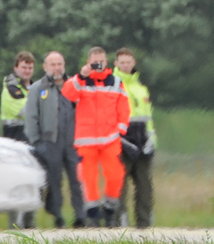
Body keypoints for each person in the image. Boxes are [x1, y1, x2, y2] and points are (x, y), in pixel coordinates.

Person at [61, 46, 130, 227]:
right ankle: (92, 213)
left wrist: (120, 130)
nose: (98, 65)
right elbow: (68, 93)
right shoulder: (80, 81)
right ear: (88, 62)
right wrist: (82, 76)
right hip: (86, 139)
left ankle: (109, 208)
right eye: (95, 62)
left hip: (110, 138)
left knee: (116, 174)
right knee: (88, 178)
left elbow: (124, 108)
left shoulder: (116, 81)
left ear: (107, 62)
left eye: (101, 61)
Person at [23, 51, 86, 228]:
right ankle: (58, 217)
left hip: (74, 142)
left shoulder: (74, 85)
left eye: (59, 64)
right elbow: (31, 117)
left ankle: (80, 216)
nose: (57, 68)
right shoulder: (38, 88)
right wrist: (37, 143)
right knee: (54, 181)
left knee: (77, 180)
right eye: (53, 65)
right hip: (50, 142)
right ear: (45, 67)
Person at [113, 49, 156, 228]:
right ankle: (118, 225)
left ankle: (145, 225)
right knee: (118, 188)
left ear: (134, 62)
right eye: (122, 62)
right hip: (121, 142)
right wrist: (121, 140)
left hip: (142, 140)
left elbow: (148, 119)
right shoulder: (112, 85)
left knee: (145, 187)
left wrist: (151, 140)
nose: (125, 65)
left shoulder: (141, 88)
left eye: (128, 62)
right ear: (116, 64)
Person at [3, 52, 35, 229]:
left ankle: (30, 225)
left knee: (31, 184)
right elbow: (21, 110)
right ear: (16, 68)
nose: (27, 71)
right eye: (24, 67)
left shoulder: (32, 88)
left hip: (30, 142)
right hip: (14, 143)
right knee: (16, 186)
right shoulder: (10, 87)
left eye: (30, 67)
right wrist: (36, 102)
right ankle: (14, 227)